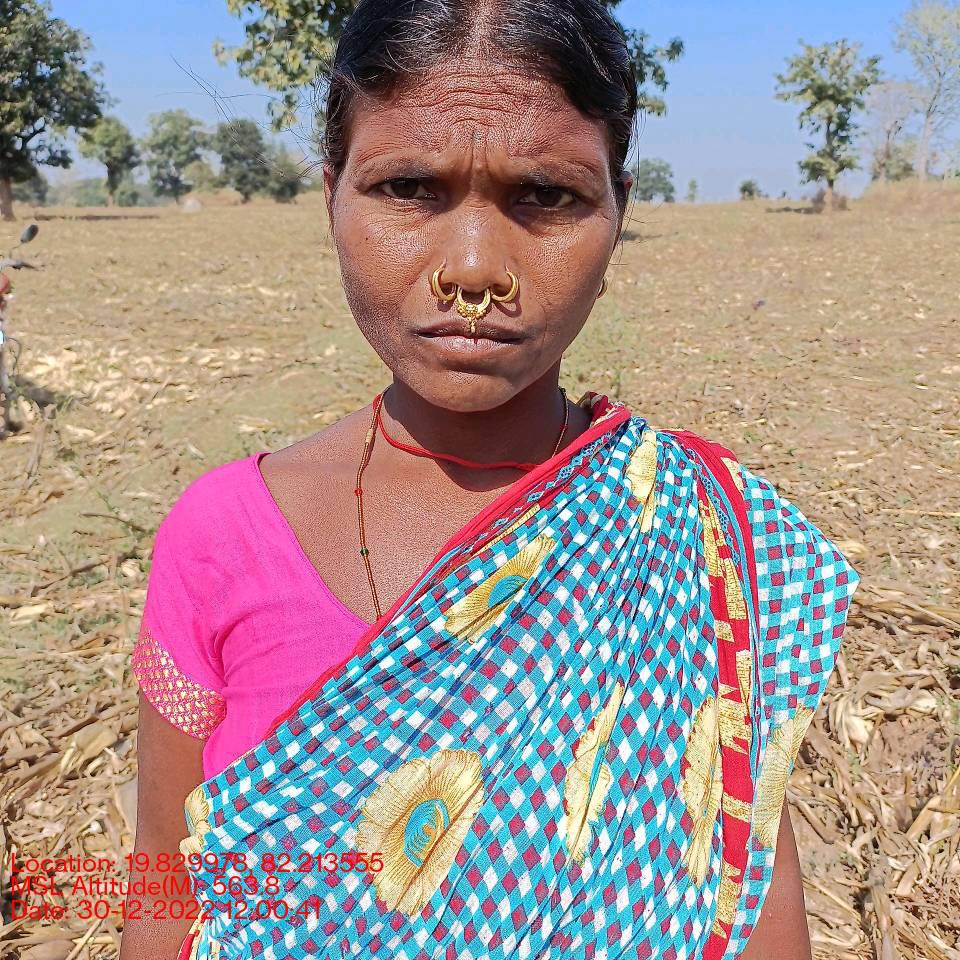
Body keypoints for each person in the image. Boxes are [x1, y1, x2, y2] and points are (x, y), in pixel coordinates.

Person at [119, 1, 858, 958]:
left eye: (545, 196)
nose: (474, 272)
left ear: (618, 215)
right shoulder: (221, 534)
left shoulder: (693, 537)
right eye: (409, 188)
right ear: (333, 198)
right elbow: (166, 871)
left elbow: (743, 882)